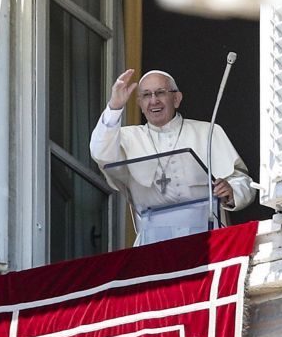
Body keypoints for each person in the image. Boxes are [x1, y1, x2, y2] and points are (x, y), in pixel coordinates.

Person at [89, 68, 255, 245]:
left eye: (160, 92)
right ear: (139, 103)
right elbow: (100, 153)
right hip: (152, 242)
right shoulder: (126, 137)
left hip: (207, 236)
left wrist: (231, 191)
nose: (154, 101)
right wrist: (114, 107)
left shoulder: (207, 131)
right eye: (146, 95)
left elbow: (243, 181)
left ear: (176, 99)